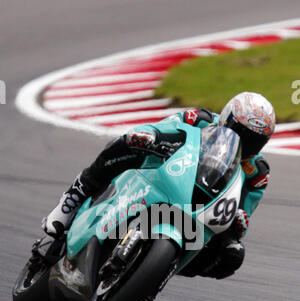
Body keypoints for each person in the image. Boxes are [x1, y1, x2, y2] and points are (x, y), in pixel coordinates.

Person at [42, 91, 275, 279]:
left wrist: (240, 220)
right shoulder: (201, 120)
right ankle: (71, 200)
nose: (246, 143)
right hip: (165, 174)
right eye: (242, 134)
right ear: (227, 118)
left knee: (232, 253)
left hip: (203, 210)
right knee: (124, 144)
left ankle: (163, 264)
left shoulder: (257, 173)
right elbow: (167, 127)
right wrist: (150, 135)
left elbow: (244, 208)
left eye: (255, 140)